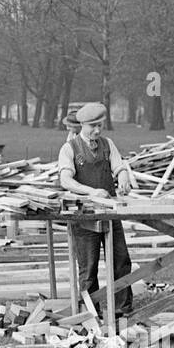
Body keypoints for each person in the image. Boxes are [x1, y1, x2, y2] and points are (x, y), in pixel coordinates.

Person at [58, 102, 134, 319]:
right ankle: (91, 314)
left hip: (110, 213)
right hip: (84, 217)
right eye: (92, 126)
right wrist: (91, 192)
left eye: (100, 125)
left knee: (121, 261)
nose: (97, 131)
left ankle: (123, 310)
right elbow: (66, 180)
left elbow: (119, 166)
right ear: (82, 125)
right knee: (88, 267)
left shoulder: (108, 144)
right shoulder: (69, 148)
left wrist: (123, 177)